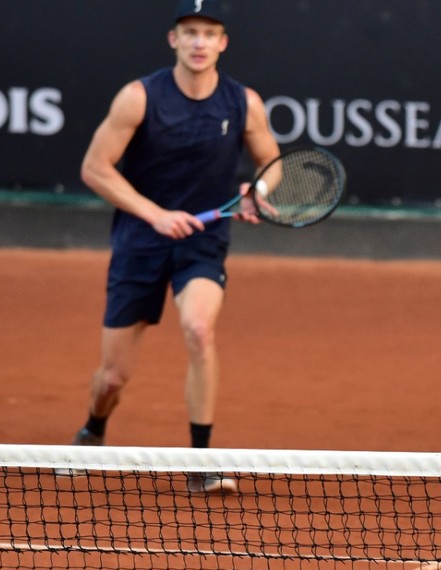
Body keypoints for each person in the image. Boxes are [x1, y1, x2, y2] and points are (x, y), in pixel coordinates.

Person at [62, 0, 281, 495]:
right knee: (114, 377)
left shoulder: (243, 102)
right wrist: (155, 214)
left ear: (223, 42)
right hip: (140, 239)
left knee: (199, 329)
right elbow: (96, 168)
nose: (200, 42)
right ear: (173, 40)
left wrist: (258, 193)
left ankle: (200, 460)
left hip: (203, 240)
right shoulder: (138, 97)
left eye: (210, 33)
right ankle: (93, 428)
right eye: (191, 33)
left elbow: (271, 162)